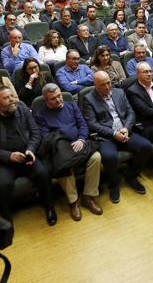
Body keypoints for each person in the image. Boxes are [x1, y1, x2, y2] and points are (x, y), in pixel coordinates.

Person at [0, 86, 55, 225]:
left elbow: (35, 133)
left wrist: (30, 150)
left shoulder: (22, 108)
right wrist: (8, 156)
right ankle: (7, 220)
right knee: (1, 185)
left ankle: (49, 208)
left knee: (43, 173)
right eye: (6, 98)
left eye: (12, 96)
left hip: (26, 156)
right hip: (3, 161)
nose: (11, 100)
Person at [35, 84, 103, 221]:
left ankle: (88, 196)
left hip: (79, 143)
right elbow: (46, 137)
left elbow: (83, 125)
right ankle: (73, 201)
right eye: (53, 98)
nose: (59, 100)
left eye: (59, 95)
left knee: (96, 157)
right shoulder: (40, 114)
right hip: (61, 149)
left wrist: (81, 139)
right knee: (61, 165)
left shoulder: (71, 105)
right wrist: (65, 142)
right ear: (46, 100)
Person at [83, 71, 153, 202]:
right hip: (106, 136)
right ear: (95, 85)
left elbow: (131, 113)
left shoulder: (119, 92)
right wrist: (114, 134)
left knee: (146, 147)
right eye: (103, 85)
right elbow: (92, 124)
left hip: (124, 130)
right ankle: (114, 185)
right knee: (110, 157)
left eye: (109, 83)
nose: (107, 87)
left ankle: (131, 176)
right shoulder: (89, 98)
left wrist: (126, 128)